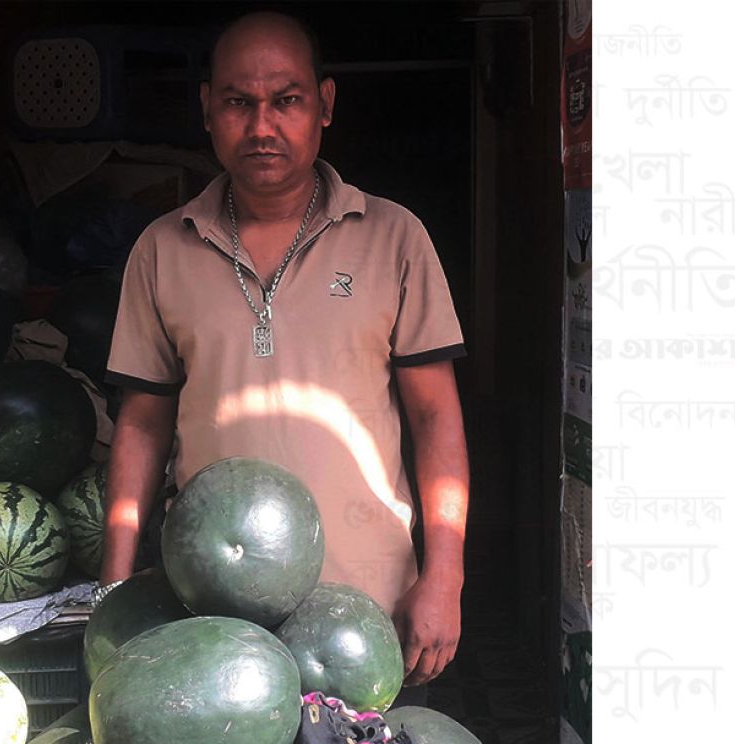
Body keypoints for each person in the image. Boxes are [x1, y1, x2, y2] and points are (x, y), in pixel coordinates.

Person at [101, 11, 469, 689]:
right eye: (239, 102)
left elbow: (435, 417)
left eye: (286, 101)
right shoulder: (162, 248)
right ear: (207, 108)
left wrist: (444, 573)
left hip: (367, 609)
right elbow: (142, 423)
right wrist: (115, 590)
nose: (262, 126)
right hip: (215, 611)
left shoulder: (393, 237)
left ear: (324, 105)